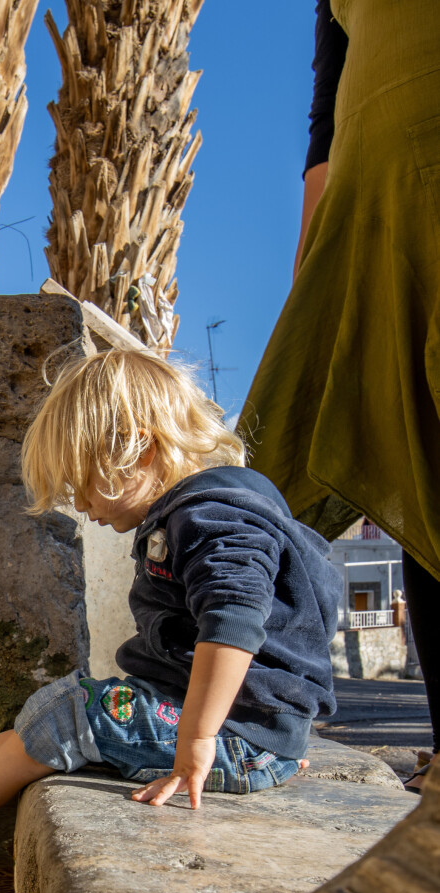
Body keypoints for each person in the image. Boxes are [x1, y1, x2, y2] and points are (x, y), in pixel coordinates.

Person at [0, 349, 340, 857]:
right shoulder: (208, 510)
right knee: (57, 709)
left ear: (140, 450)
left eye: (82, 484)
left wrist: (199, 740)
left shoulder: (212, 519)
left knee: (70, 710)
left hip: (231, 741)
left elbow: (235, 621)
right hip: (245, 733)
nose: (81, 506)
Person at [240, 0, 440, 791]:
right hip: (379, 185)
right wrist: (309, 269)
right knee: (408, 449)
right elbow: (326, 113)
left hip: (393, 161)